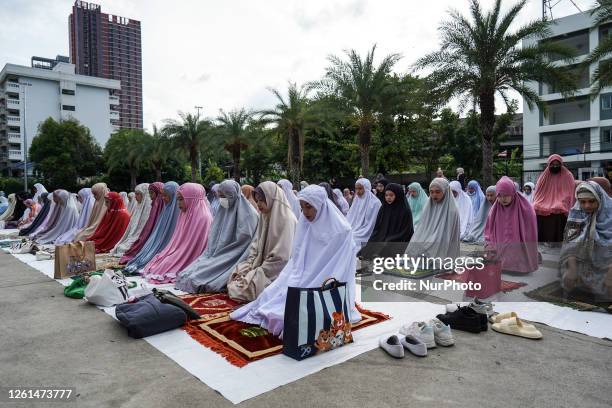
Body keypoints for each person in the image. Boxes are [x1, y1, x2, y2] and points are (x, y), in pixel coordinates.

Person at [230, 185, 361, 336]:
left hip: (326, 279)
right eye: (302, 207)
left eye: (309, 207)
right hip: (303, 272)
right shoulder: (306, 223)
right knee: (270, 297)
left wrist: (312, 281)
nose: (305, 212)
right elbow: (298, 257)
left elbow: (340, 268)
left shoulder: (342, 231)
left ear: (320, 205)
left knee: (291, 311)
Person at [176, 180, 259, 293]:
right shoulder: (223, 209)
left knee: (201, 277)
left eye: (224, 196)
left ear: (233, 195)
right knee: (187, 274)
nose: (222, 200)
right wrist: (215, 249)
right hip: (217, 251)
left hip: (235, 254)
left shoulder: (250, 214)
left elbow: (245, 240)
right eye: (220, 196)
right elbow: (214, 233)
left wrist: (223, 249)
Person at [227, 181, 297, 302]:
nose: (258, 204)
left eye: (261, 200)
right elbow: (256, 245)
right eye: (257, 200)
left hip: (275, 270)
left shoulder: (287, 219)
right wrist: (250, 266)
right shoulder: (265, 215)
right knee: (236, 275)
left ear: (271, 198)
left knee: (241, 290)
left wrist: (258, 272)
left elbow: (281, 258)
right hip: (260, 264)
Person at [142, 183, 213, 284]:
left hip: (190, 255)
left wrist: (175, 255)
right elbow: (177, 240)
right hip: (180, 250)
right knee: (159, 261)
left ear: (191, 199)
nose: (178, 203)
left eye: (180, 199)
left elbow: (192, 247)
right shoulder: (185, 213)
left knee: (167, 264)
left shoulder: (203, 217)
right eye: (177, 199)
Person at [560, 182, 612, 299]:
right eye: (582, 202)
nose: (587, 206)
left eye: (591, 201)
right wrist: (572, 268)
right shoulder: (576, 213)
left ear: (600, 198)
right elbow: (569, 243)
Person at [484, 177, 538, 273]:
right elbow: (489, 228)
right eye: (500, 196)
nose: (502, 199)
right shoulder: (495, 209)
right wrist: (489, 243)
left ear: (512, 193)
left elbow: (531, 227)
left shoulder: (525, 208)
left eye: (506, 195)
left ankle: (518, 267)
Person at [123, 181, 180, 273]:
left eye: (165, 195)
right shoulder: (166, 208)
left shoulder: (176, 211)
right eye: (162, 195)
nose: (163, 198)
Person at [405, 178, 460, 264]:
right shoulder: (428, 206)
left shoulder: (452, 210)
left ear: (445, 191)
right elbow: (422, 229)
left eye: (438, 192)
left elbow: (446, 236)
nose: (434, 195)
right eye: (431, 192)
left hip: (442, 243)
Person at [360, 183, 414, 259]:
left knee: (388, 242)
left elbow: (406, 231)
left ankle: (380, 255)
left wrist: (392, 237)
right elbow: (378, 226)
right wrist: (376, 235)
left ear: (398, 195)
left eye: (391, 195)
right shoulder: (384, 208)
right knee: (375, 239)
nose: (388, 198)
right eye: (386, 195)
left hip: (399, 237)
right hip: (383, 234)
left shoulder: (405, 210)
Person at [532, 154, 576, 244]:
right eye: (552, 164)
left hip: (561, 201)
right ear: (549, 165)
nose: (555, 166)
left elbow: (570, 192)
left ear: (561, 164)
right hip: (544, 201)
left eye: (557, 164)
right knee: (536, 205)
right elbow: (538, 192)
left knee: (558, 206)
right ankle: (541, 239)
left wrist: (561, 200)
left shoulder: (567, 175)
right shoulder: (544, 176)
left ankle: (557, 240)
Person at [119, 182, 165, 264]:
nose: (135, 197)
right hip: (140, 238)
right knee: (124, 247)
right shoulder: (143, 206)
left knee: (128, 248)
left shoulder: (151, 207)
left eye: (138, 194)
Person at [109, 183, 152, 257]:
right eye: (135, 194)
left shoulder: (149, 209)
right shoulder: (138, 207)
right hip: (132, 237)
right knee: (120, 247)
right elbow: (132, 228)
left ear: (145, 195)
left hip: (140, 238)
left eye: (138, 194)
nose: (135, 197)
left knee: (124, 248)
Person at [346, 178, 382, 248]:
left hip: (366, 232)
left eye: (360, 188)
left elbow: (372, 225)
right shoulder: (356, 200)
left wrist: (360, 230)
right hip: (354, 229)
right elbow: (350, 218)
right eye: (356, 189)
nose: (357, 191)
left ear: (367, 188)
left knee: (353, 239)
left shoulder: (375, 203)